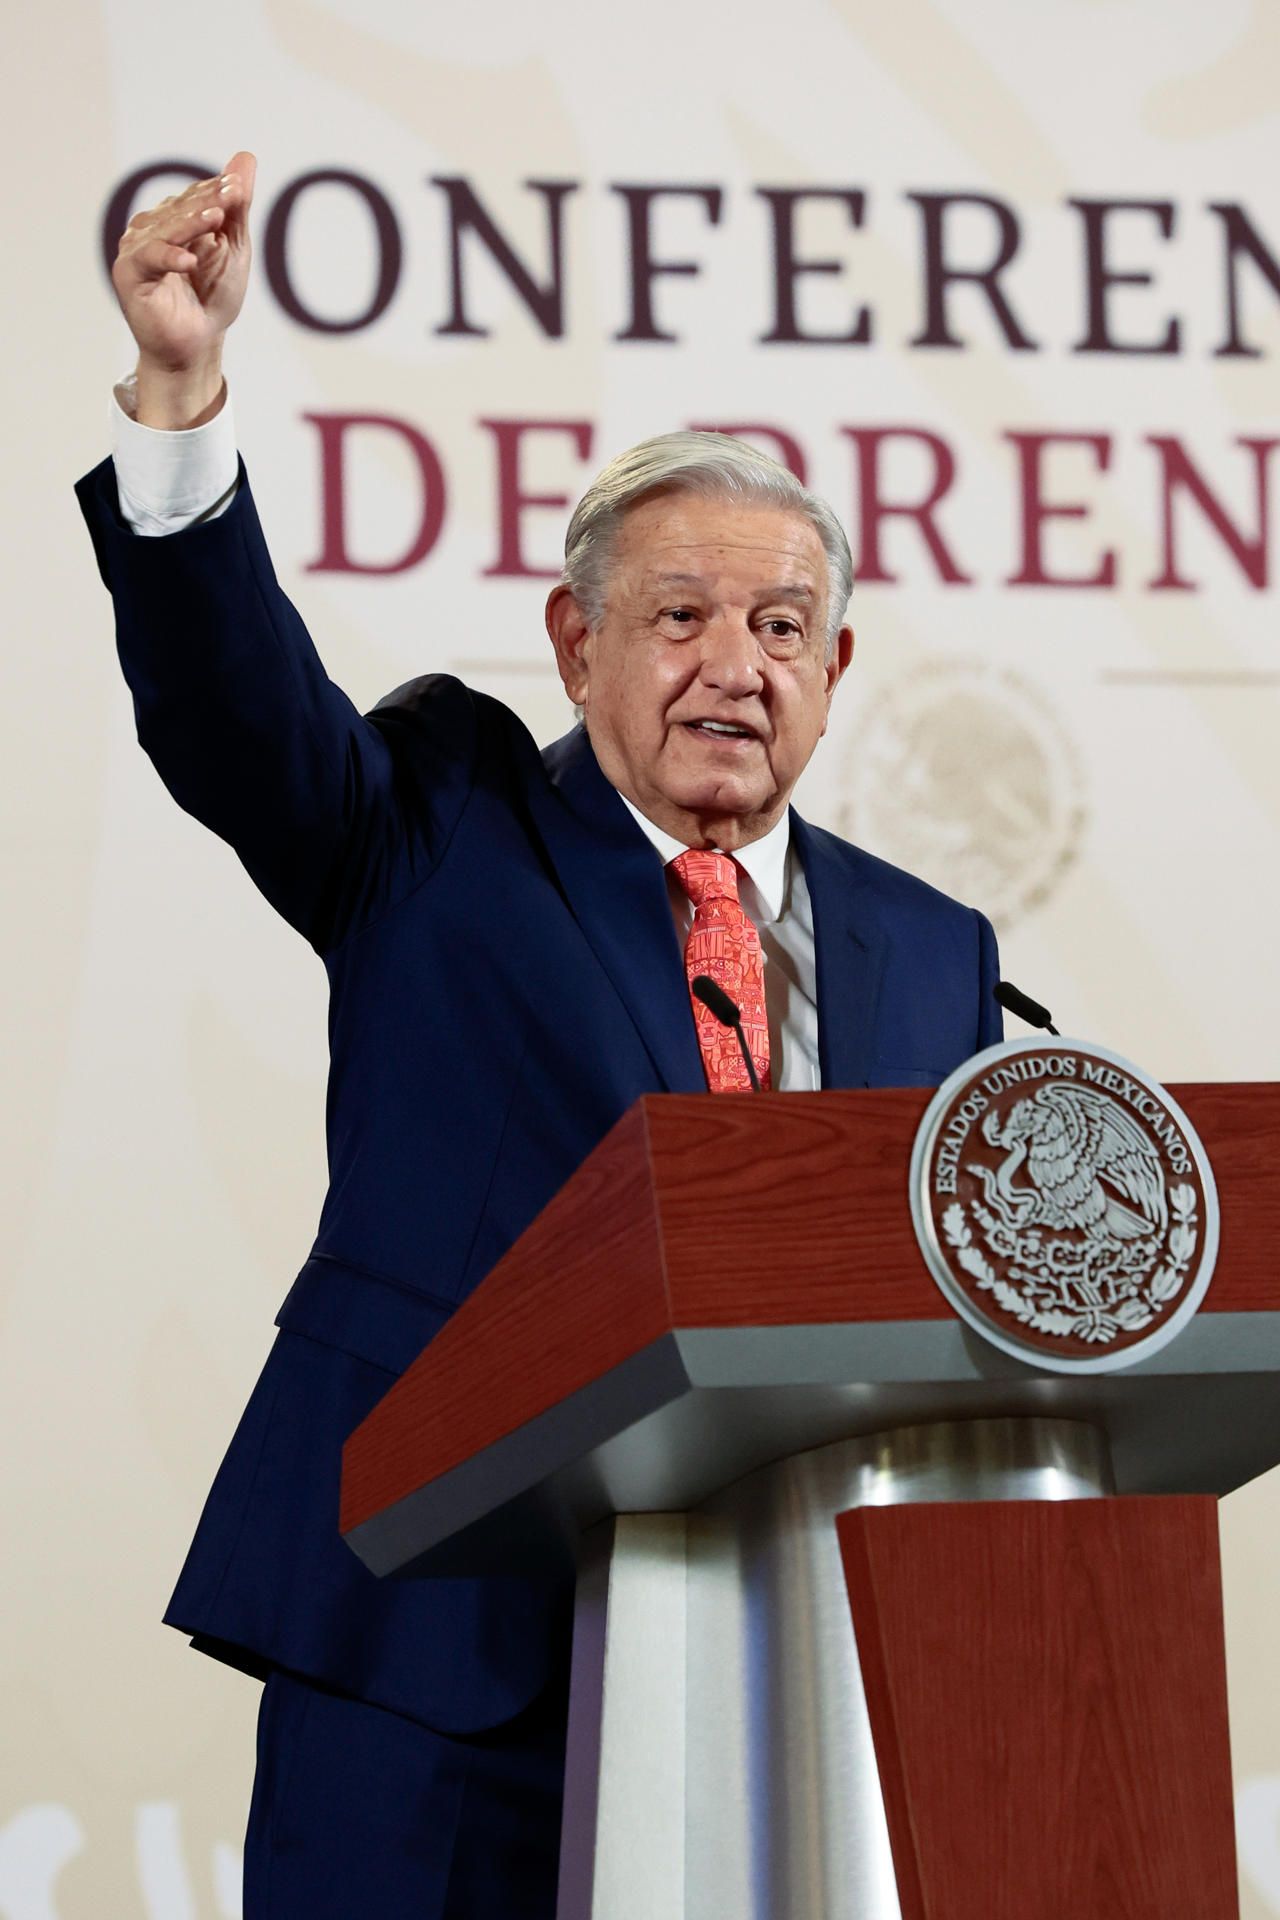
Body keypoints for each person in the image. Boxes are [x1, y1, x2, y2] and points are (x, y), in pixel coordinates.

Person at [78, 152, 1002, 1918]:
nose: (737, 663)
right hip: (447, 1664)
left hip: (808, 1671)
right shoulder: (441, 825)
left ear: (839, 663)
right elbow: (232, 705)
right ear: (576, 645)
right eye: (681, 618)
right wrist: (182, 395)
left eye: (783, 627)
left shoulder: (931, 950)